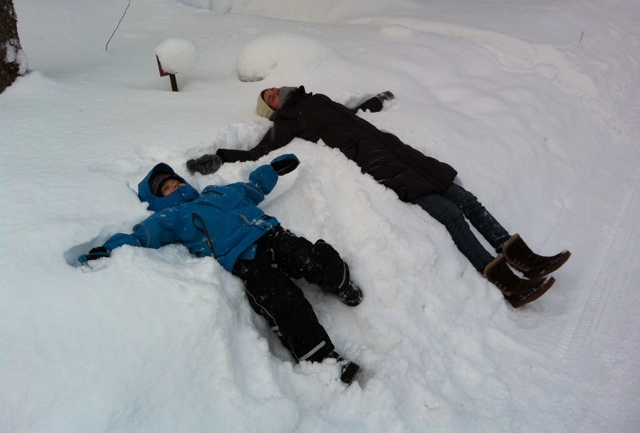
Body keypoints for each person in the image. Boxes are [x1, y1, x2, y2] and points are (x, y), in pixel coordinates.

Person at [186, 86, 571, 308]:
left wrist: (375, 101)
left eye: (272, 89)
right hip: (379, 163)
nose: (274, 93)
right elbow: (259, 150)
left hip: (400, 153)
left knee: (467, 200)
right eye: (268, 98)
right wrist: (221, 156)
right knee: (451, 215)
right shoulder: (287, 121)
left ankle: (526, 260)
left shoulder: (315, 98)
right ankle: (508, 285)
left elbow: (350, 111)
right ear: (272, 109)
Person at [79, 154, 362, 385]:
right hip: (243, 258)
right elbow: (142, 237)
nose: (174, 187)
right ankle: (324, 361)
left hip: (269, 233)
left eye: (175, 182)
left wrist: (271, 171)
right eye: (165, 189)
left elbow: (252, 189)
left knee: (308, 257)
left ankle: (341, 282)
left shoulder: (218, 191)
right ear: (157, 201)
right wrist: (110, 247)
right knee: (283, 303)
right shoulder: (171, 216)